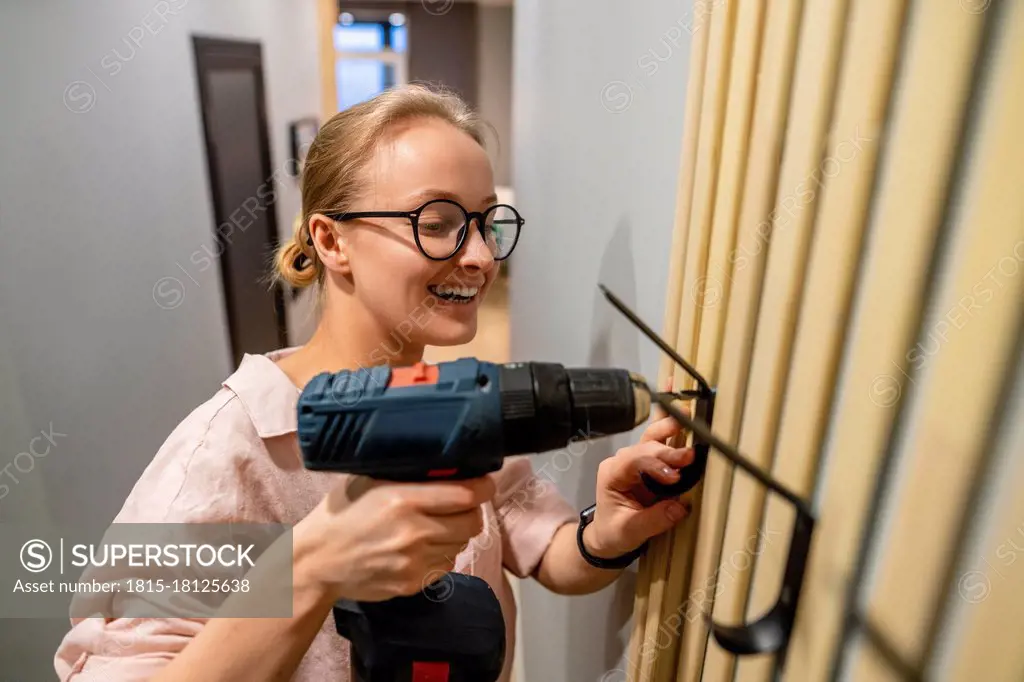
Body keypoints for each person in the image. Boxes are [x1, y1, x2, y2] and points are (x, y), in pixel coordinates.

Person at [54, 83, 694, 682]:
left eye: (485, 221)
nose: (477, 257)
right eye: (437, 223)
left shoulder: (455, 402)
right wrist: (313, 563)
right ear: (330, 241)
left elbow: (542, 549)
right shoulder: (233, 452)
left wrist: (605, 533)